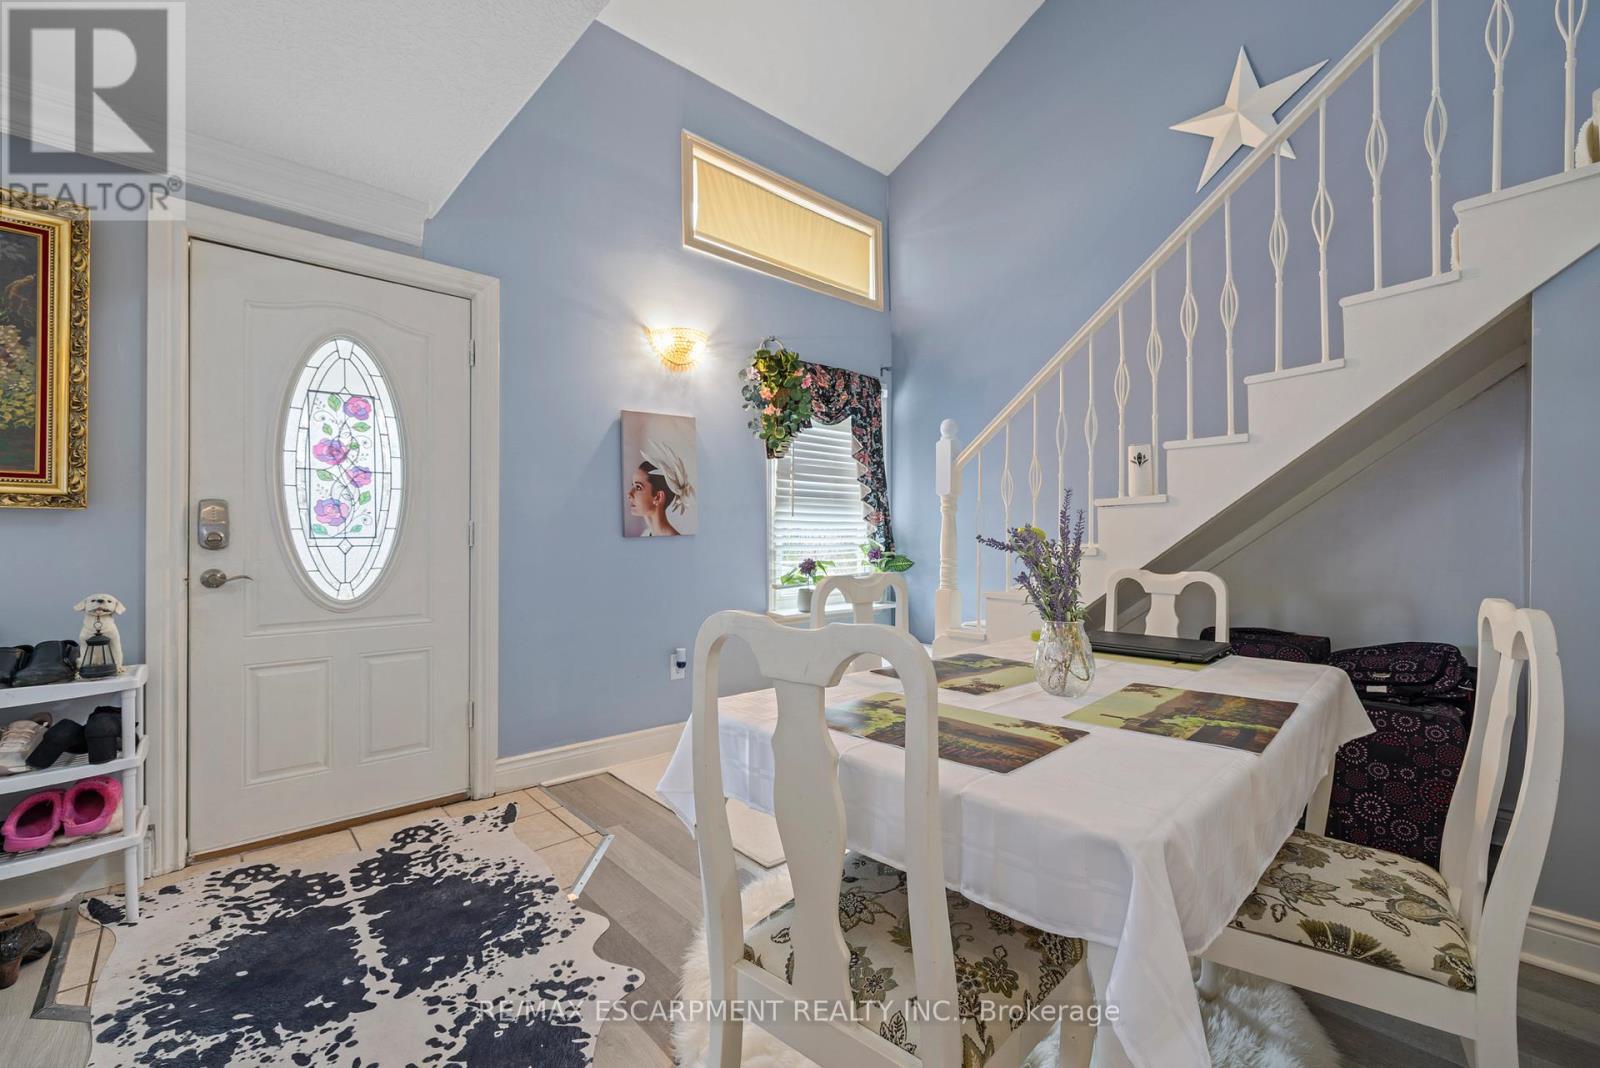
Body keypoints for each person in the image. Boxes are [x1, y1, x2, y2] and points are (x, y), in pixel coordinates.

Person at [625, 439, 694, 536]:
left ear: (658, 497)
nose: (629, 494)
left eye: (638, 487)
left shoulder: (676, 541)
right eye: (633, 485)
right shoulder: (645, 534)